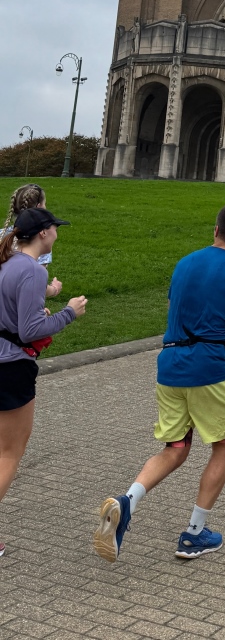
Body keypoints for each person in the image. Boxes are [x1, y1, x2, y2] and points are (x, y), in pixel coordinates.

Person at [93, 205, 225, 564]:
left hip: (170, 367)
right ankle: (194, 533)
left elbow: (177, 308)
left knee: (175, 448)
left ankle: (127, 502)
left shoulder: (184, 264)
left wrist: (218, 324)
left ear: (215, 229)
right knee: (222, 446)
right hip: (210, 371)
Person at [0, 208, 87, 558]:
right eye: (55, 228)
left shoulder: (6, 262)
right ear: (43, 233)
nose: (56, 234)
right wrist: (69, 313)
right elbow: (29, 331)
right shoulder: (33, 270)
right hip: (11, 368)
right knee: (9, 453)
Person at [3, 184, 63, 301]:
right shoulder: (39, 241)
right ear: (39, 207)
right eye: (45, 204)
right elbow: (38, 285)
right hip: (20, 305)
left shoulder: (3, 235)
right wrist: (54, 289)